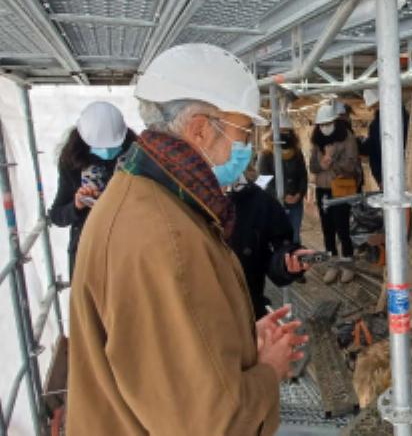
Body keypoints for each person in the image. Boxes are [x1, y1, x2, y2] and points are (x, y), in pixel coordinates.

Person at [67, 43, 306, 436]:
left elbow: (166, 359)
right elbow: (208, 423)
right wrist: (268, 370)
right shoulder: (162, 237)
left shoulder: (150, 197)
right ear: (199, 128)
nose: (244, 146)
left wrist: (244, 342)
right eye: (242, 131)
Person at [48, 101, 136, 280]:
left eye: (112, 146)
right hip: (87, 250)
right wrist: (77, 205)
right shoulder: (72, 163)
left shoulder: (137, 158)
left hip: (129, 248)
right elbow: (57, 216)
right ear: (83, 140)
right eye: (99, 146)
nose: (105, 151)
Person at [229, 166, 311, 320]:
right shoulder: (181, 200)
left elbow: (278, 251)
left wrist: (288, 261)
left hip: (250, 312)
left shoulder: (260, 201)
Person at [309, 103, 360, 284]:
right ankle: (332, 263)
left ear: (334, 121)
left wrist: (332, 162)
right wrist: (323, 162)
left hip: (341, 188)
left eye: (327, 123)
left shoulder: (347, 137)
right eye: (321, 124)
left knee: (343, 228)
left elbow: (352, 165)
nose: (324, 127)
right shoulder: (316, 139)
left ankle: (348, 264)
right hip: (322, 189)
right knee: (327, 229)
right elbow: (313, 166)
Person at [257, 113, 308, 244]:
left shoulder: (296, 152)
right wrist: (282, 195)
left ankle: (295, 260)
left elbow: (302, 175)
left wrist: (299, 194)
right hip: (275, 202)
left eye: (287, 131)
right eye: (281, 131)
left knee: (294, 235)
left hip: (296, 201)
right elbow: (264, 180)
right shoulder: (266, 154)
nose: (284, 134)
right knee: (278, 236)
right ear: (273, 132)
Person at [360, 88, 408, 188]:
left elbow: (375, 152)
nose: (375, 109)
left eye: (376, 106)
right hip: (391, 176)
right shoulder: (377, 124)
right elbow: (375, 152)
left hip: (400, 174)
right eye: (374, 107)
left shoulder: (401, 119)